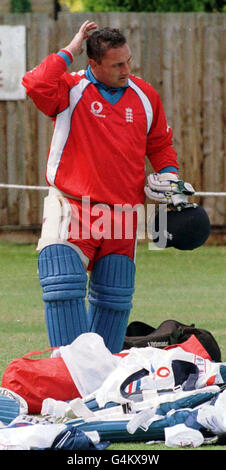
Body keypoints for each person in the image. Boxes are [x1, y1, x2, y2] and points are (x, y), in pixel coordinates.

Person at [22, 20, 195, 353]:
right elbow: (35, 83)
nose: (127, 69)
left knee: (115, 297)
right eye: (117, 64)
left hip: (124, 214)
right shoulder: (68, 88)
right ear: (94, 64)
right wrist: (71, 47)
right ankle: (69, 375)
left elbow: (159, 145)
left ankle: (103, 387)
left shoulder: (145, 95)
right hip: (71, 206)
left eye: (128, 60)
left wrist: (170, 176)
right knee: (63, 286)